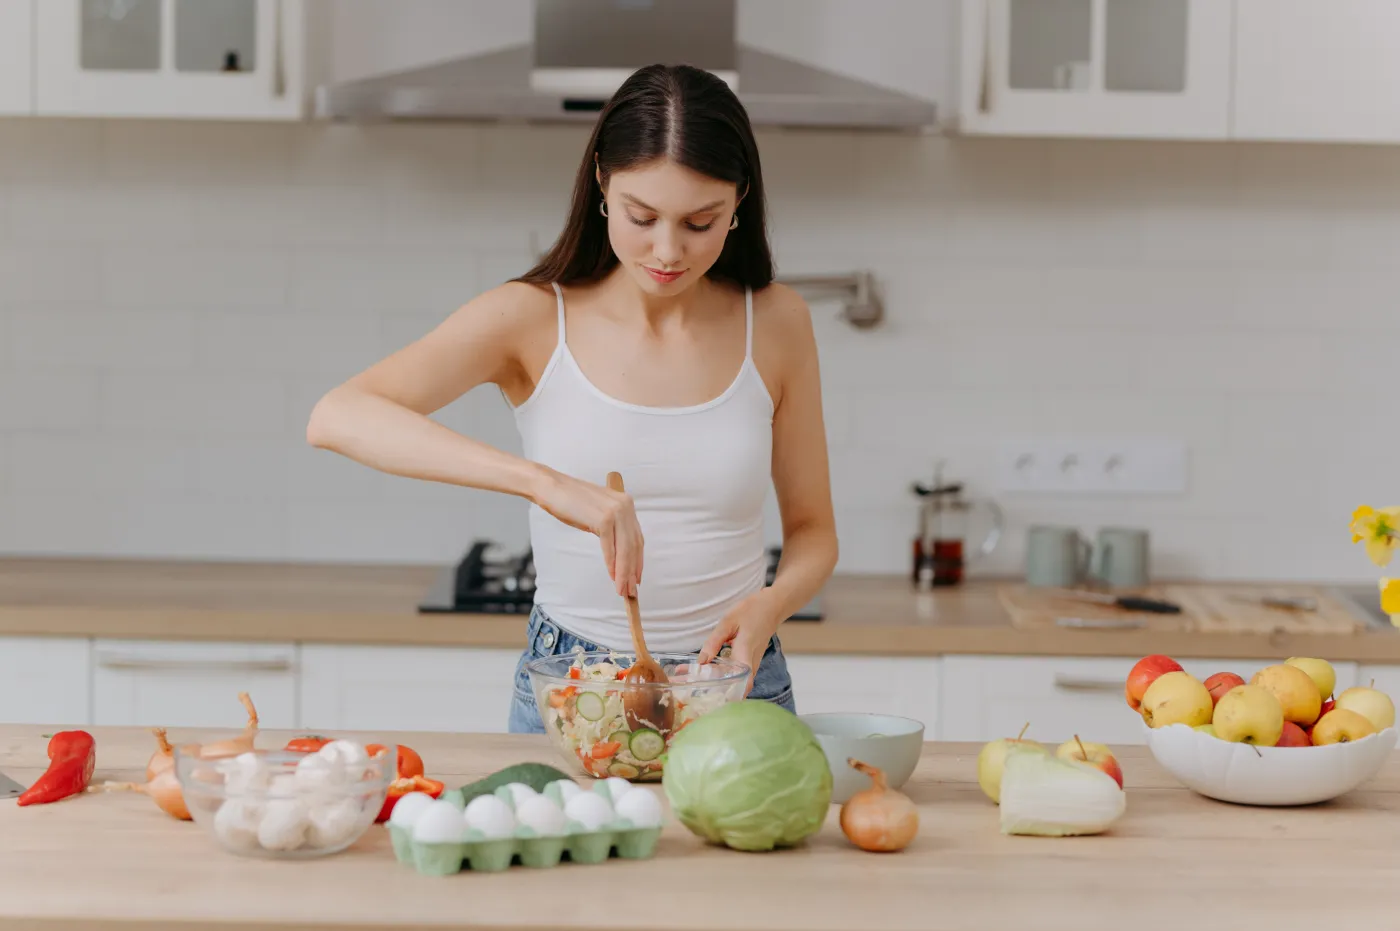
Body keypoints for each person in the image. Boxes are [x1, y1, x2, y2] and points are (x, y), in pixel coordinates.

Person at [305, 63, 838, 734]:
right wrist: (540, 483)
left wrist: (772, 603)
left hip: (734, 681)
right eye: (643, 217)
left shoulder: (779, 321)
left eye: (700, 222)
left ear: (739, 202)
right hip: (575, 686)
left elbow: (815, 533)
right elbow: (339, 414)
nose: (668, 250)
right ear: (602, 189)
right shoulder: (531, 318)